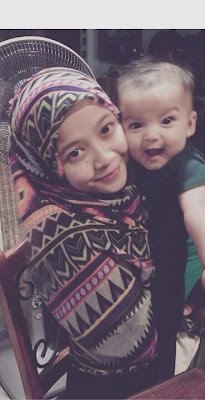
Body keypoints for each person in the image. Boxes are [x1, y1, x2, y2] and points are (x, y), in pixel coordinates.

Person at [8, 67, 158, 399]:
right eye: (74, 152)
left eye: (106, 128)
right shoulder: (57, 237)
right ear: (46, 164)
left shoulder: (120, 193)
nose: (104, 158)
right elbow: (130, 341)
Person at [117, 56, 205, 380]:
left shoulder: (187, 165)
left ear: (190, 124)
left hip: (187, 257)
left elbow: (199, 215)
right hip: (150, 253)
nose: (151, 135)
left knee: (166, 325)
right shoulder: (128, 161)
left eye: (166, 120)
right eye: (136, 125)